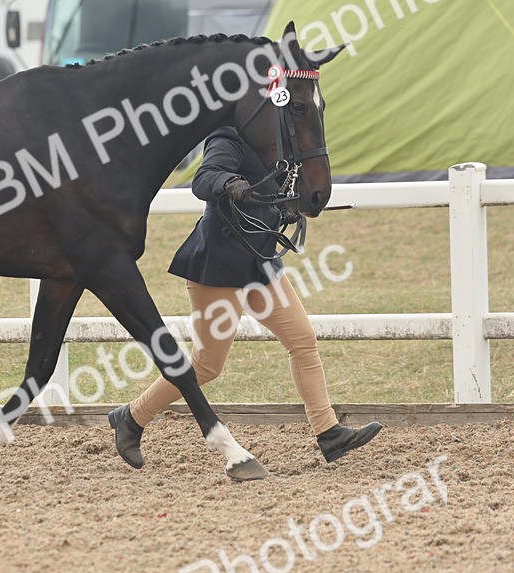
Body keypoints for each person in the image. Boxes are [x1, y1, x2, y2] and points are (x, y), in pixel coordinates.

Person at [108, 127, 381, 471]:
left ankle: (329, 432)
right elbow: (204, 179)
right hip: (219, 267)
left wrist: (287, 208)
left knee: (302, 339)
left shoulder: (279, 142)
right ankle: (132, 417)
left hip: (260, 262)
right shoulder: (229, 137)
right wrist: (229, 184)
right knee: (207, 366)